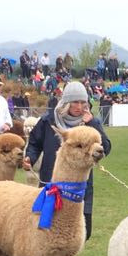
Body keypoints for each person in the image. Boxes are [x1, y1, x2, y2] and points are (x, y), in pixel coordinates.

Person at [25, 79, 110, 241]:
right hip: (51, 185)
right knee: (45, 232)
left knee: (81, 233)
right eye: (75, 102)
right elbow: (34, 143)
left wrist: (92, 123)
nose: (79, 107)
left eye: (82, 102)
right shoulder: (48, 121)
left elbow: (105, 147)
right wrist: (30, 157)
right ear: (66, 102)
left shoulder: (91, 124)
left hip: (80, 188)